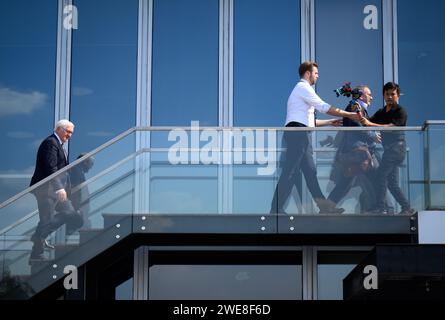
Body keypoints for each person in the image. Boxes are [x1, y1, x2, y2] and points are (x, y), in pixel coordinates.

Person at [270, 61, 360, 214]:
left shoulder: (301, 91)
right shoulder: (303, 87)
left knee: (310, 172)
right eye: (316, 73)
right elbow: (324, 107)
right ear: (307, 73)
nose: (318, 76)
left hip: (300, 132)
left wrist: (330, 123)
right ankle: (275, 209)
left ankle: (323, 206)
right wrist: (349, 114)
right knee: (290, 171)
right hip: (298, 134)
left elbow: (309, 121)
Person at [29, 119, 83, 262]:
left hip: (55, 190)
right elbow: (50, 168)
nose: (70, 135)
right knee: (45, 220)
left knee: (70, 213)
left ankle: (38, 236)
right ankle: (36, 254)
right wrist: (59, 188)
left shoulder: (59, 145)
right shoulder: (51, 143)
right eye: (68, 131)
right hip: (46, 189)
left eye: (71, 133)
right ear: (59, 129)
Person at [360, 82, 415, 215]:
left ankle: (381, 207)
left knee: (381, 175)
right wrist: (357, 108)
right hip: (390, 150)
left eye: (393, 94)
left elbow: (393, 126)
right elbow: (366, 123)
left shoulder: (400, 111)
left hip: (396, 149)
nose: (390, 97)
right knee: (392, 183)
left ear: (397, 95)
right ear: (384, 95)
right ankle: (406, 207)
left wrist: (371, 123)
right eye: (387, 94)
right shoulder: (382, 112)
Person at [327, 85, 382, 212]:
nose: (372, 98)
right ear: (361, 95)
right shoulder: (355, 106)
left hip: (357, 152)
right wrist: (372, 135)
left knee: (346, 182)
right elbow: (358, 126)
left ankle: (327, 207)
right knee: (376, 178)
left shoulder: (360, 107)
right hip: (358, 152)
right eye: (370, 94)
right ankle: (380, 207)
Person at [68, 153, 95, 233]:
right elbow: (75, 191)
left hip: (78, 207)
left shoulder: (77, 171)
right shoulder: (76, 171)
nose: (91, 167)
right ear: (85, 162)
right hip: (76, 207)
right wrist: (76, 208)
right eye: (91, 164)